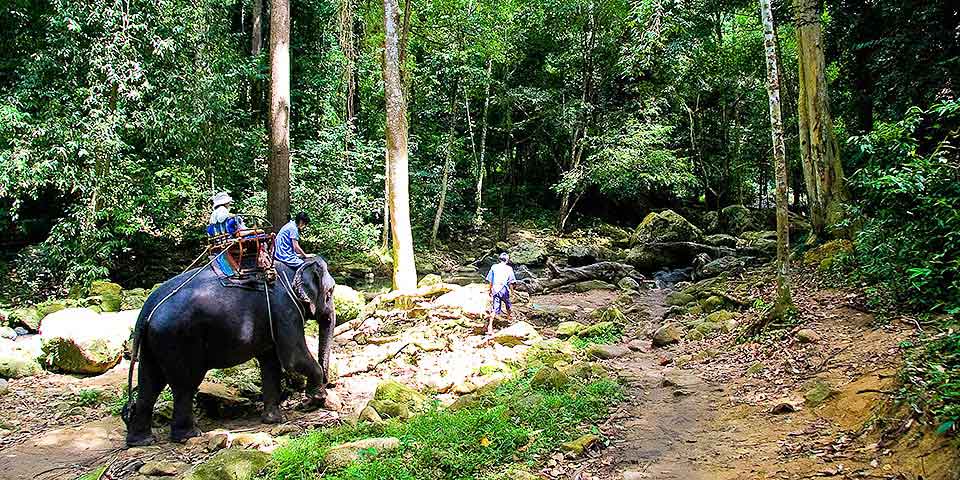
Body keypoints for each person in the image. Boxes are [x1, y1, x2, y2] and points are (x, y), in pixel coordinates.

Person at [485, 252, 516, 334]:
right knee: (508, 304)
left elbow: (491, 280)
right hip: (504, 289)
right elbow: (511, 282)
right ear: (507, 260)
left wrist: (490, 289)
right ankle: (510, 320)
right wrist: (512, 292)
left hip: (495, 289)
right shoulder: (509, 268)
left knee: (495, 308)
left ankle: (490, 327)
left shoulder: (494, 267)